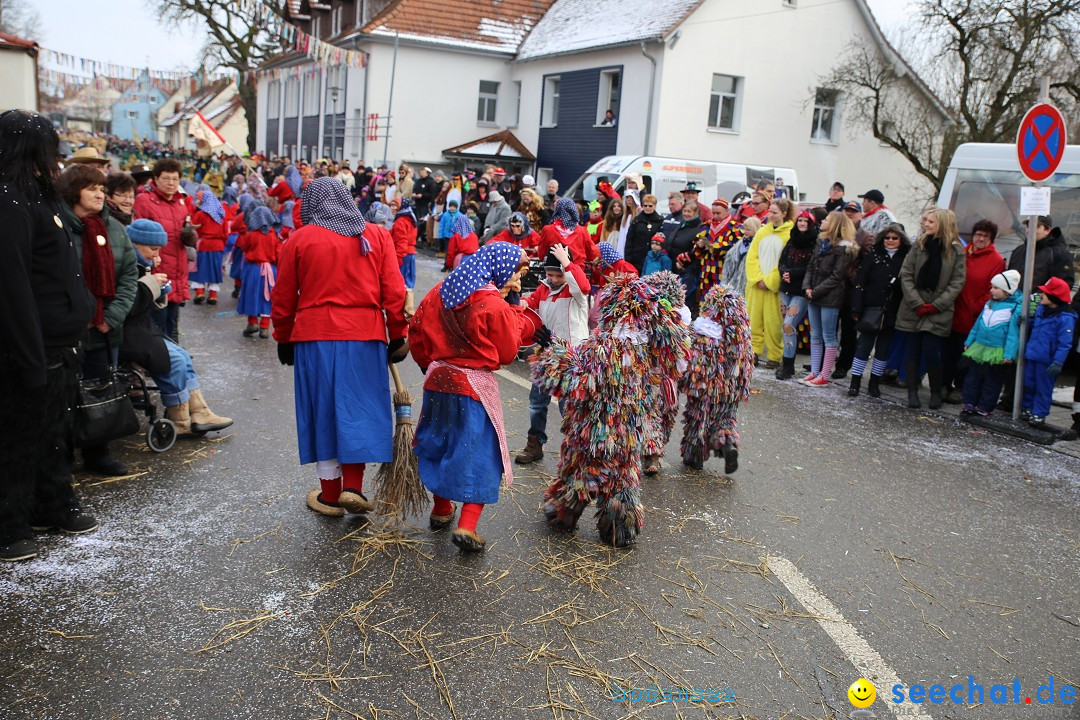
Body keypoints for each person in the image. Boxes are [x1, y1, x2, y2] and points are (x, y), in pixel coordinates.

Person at [272, 177, 409, 518]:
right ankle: (353, 486)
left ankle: (330, 495)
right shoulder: (376, 235)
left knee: (323, 411)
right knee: (358, 408)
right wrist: (397, 334)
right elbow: (394, 290)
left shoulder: (299, 240)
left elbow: (284, 296)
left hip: (313, 337)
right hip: (365, 336)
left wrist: (283, 337)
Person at [0, 111, 97, 561]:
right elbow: (12, 286)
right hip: (29, 349)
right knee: (18, 440)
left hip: (61, 343)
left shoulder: (39, 198)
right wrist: (28, 356)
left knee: (55, 432)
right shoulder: (9, 202)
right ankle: (9, 522)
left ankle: (52, 503)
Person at [536, 276, 688, 546]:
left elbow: (573, 379)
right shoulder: (645, 349)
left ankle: (564, 514)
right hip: (629, 429)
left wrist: (552, 352)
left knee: (582, 470)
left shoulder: (603, 347)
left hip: (594, 429)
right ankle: (619, 528)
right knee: (622, 476)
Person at [410, 243, 537, 552]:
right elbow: (507, 352)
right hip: (472, 387)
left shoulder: (442, 291)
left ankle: (441, 509)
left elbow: (416, 330)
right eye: (515, 274)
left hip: (438, 381)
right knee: (478, 453)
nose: (516, 282)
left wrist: (431, 365)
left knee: (440, 443)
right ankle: (467, 526)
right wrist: (519, 314)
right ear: (499, 268)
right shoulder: (491, 304)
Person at [57, 163, 140, 477]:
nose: (100, 195)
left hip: (104, 330)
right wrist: (77, 318)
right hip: (66, 332)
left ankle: (98, 453)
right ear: (73, 191)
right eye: (92, 188)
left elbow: (129, 275)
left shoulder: (114, 229)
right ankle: (60, 459)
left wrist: (112, 315)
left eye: (102, 190)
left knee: (101, 392)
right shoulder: (57, 227)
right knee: (63, 397)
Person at [122, 219, 233, 437]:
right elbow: (127, 304)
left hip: (140, 329)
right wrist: (151, 286)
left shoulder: (140, 263)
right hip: (129, 333)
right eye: (152, 249)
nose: (157, 256)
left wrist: (158, 289)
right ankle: (180, 420)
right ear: (135, 244)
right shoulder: (126, 265)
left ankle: (200, 412)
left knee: (182, 355)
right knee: (172, 360)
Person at [515, 244, 590, 465]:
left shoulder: (576, 294)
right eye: (550, 274)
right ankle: (535, 443)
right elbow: (530, 305)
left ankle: (575, 448)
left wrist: (567, 263)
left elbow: (583, 286)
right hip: (547, 354)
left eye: (559, 275)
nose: (555, 279)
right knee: (537, 401)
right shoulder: (543, 289)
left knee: (567, 405)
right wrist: (516, 303)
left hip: (572, 355)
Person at [895, 208, 967, 409]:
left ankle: (936, 391)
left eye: (931, 222)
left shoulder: (956, 250)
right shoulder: (918, 245)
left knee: (932, 351)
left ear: (943, 225)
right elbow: (906, 274)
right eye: (926, 221)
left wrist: (936, 305)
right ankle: (912, 391)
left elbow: (957, 282)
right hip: (913, 306)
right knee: (912, 351)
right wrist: (917, 302)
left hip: (938, 309)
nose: (926, 224)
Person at [679, 284, 754, 474]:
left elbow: (690, 357)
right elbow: (746, 365)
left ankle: (694, 456)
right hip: (730, 387)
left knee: (699, 416)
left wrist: (685, 379)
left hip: (704, 385)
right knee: (725, 417)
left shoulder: (703, 329)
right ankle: (727, 443)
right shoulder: (741, 335)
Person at [944, 220, 1005, 403]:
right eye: (978, 234)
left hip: (971, 315)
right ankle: (943, 384)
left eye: (986, 236)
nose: (981, 238)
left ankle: (960, 387)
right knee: (947, 352)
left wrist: (975, 307)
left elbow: (992, 290)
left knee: (965, 354)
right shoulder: (963, 253)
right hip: (952, 310)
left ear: (991, 239)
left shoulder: (996, 260)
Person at [798, 212, 859, 386]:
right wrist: (807, 287)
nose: (822, 221)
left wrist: (815, 291)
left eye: (826, 220)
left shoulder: (844, 249)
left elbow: (837, 276)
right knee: (815, 335)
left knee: (829, 336)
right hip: (813, 295)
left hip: (830, 297)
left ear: (835, 224)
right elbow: (810, 267)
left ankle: (824, 375)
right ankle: (815, 372)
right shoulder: (821, 242)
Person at [133, 158, 191, 343]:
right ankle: (162, 360)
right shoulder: (144, 200)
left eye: (175, 179)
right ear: (156, 179)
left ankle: (174, 356)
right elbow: (136, 237)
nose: (171, 183)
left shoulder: (181, 202)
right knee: (156, 322)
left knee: (173, 321)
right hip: (156, 269)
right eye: (166, 178)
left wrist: (190, 234)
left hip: (177, 269)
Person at [849, 224, 910, 397]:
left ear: (901, 240)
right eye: (887, 237)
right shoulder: (873, 255)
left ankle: (874, 382)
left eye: (894, 238)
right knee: (864, 347)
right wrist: (856, 309)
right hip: (871, 307)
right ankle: (855, 381)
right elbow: (860, 283)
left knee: (883, 350)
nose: (890, 241)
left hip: (892, 311)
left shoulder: (905, 258)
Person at [641, 270, 691, 475]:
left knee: (668, 409)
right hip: (650, 371)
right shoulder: (644, 316)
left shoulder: (683, 315)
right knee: (649, 409)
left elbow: (684, 346)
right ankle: (651, 453)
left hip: (670, 372)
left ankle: (656, 447)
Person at [960, 270, 1022, 417]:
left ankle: (985, 406)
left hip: (997, 350)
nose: (991, 290)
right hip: (980, 347)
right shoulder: (989, 304)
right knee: (973, 378)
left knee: (992, 381)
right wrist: (970, 341)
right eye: (992, 286)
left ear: (1007, 291)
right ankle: (969, 402)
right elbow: (978, 324)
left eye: (996, 287)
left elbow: (1013, 334)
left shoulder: (1014, 308)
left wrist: (1009, 353)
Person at [745, 199, 795, 368]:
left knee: (773, 323)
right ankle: (754, 352)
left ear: (784, 213)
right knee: (754, 321)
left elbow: (785, 261)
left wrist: (770, 281)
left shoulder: (789, 234)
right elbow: (752, 257)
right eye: (770, 212)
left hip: (774, 288)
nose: (771, 215)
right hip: (756, 286)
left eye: (774, 212)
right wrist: (757, 278)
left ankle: (775, 355)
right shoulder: (762, 232)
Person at [1023, 277, 1076, 429]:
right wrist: (1026, 322)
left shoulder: (1065, 318)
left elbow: (1064, 343)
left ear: (1054, 298)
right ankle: (1028, 408)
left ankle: (1039, 413)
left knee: (1043, 388)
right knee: (1028, 383)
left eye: (1044, 294)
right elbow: (1036, 327)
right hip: (1033, 353)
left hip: (1047, 359)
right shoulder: (1042, 310)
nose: (1041, 295)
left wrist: (1058, 361)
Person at [775, 210, 818, 380]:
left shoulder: (815, 244)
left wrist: (793, 273)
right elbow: (782, 262)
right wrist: (785, 272)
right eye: (799, 220)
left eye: (805, 221)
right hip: (785, 288)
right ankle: (788, 364)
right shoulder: (791, 241)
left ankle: (787, 366)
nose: (801, 223)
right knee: (785, 327)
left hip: (801, 289)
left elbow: (811, 266)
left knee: (788, 325)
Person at [677, 197, 740, 307]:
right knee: (706, 302)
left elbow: (734, 247)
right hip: (706, 271)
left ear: (727, 211)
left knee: (723, 302)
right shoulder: (706, 226)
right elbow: (696, 251)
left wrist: (712, 246)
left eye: (718, 213)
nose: (715, 216)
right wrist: (700, 246)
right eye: (713, 213)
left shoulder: (735, 227)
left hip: (725, 271)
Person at [237, 205, 283, 338]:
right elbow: (279, 253)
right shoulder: (274, 235)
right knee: (267, 297)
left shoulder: (250, 235)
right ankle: (264, 326)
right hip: (270, 270)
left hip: (253, 269)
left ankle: (252, 323)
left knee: (251, 295)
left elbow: (244, 248)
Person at [1007, 215, 1075, 289]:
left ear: (1047, 230)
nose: (1029, 230)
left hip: (1038, 300)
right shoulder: (1018, 251)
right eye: (1028, 226)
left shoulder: (1059, 254)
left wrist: (1040, 298)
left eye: (1036, 227)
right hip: (1014, 299)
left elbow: (1065, 284)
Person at [189, 184, 228, 306]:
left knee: (201, 268)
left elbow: (195, 229)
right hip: (218, 245)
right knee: (214, 270)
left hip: (204, 244)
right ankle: (213, 295)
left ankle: (200, 292)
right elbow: (225, 233)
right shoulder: (221, 215)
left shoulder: (200, 214)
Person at [537, 198, 597, 267]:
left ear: (557, 210)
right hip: (576, 273)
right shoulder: (583, 231)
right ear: (573, 211)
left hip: (554, 273)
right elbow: (592, 254)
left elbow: (541, 255)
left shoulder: (547, 230)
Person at [721, 217, 760, 298]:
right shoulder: (739, 244)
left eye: (748, 229)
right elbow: (729, 264)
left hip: (747, 283)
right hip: (733, 283)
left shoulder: (758, 246)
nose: (745, 232)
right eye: (744, 229)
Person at [624, 193, 663, 272]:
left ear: (655, 206)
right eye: (645, 205)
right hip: (637, 257)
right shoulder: (636, 220)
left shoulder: (660, 220)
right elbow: (629, 240)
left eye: (650, 206)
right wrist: (628, 259)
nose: (647, 208)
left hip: (653, 258)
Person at [392, 198, 418, 315]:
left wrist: (397, 259)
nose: (392, 208)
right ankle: (408, 309)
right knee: (408, 283)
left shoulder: (400, 221)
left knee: (400, 283)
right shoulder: (411, 218)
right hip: (410, 253)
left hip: (404, 254)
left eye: (394, 205)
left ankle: (401, 310)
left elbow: (401, 241)